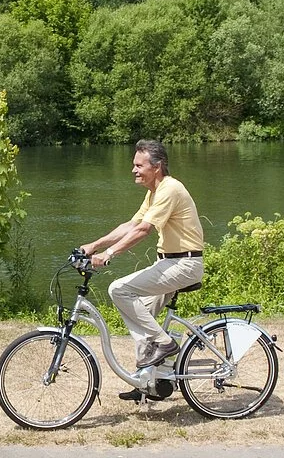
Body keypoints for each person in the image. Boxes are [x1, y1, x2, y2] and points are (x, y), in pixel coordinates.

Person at [77, 139, 205, 400]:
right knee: (140, 315)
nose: (134, 170)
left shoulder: (170, 189)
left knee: (119, 289)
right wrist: (94, 245)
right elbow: (132, 224)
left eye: (139, 165)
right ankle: (151, 384)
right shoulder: (154, 192)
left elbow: (144, 231)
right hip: (168, 262)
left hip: (184, 264)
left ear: (156, 167)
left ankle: (166, 343)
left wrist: (110, 254)